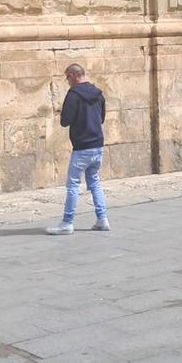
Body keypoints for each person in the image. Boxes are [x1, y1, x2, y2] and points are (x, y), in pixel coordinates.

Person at [46, 64, 110, 235]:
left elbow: (65, 121)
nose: (67, 82)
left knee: (73, 184)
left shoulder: (73, 95)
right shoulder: (98, 93)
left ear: (74, 75)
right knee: (95, 182)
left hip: (82, 146)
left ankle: (67, 222)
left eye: (67, 77)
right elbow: (102, 117)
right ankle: (102, 218)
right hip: (97, 144)